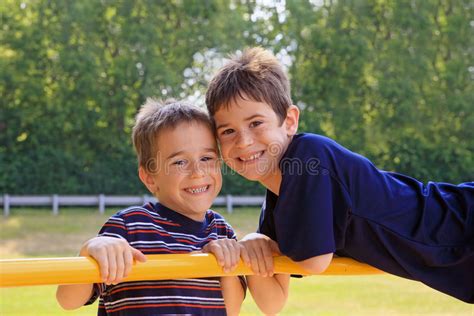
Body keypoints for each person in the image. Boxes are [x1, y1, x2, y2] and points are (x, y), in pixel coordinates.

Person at [204, 47, 474, 306]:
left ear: (289, 121)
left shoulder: (308, 157)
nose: (243, 141)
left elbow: (315, 260)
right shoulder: (277, 202)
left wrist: (261, 244)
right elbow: (272, 302)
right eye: (228, 131)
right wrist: (250, 246)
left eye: (255, 123)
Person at [56, 99, 246, 315]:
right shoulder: (129, 227)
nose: (198, 172)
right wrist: (90, 249)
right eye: (179, 162)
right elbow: (68, 300)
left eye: (206, 158)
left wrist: (227, 266)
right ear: (150, 178)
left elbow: (231, 310)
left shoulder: (221, 231)